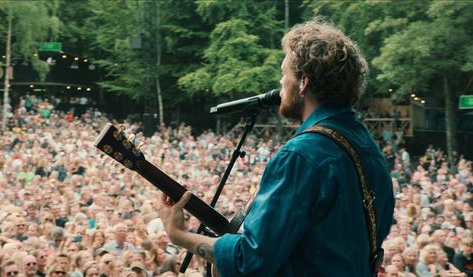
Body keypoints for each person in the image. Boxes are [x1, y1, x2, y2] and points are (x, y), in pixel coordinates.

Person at [160, 18, 395, 276]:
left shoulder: (301, 156)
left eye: (284, 74)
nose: (280, 85)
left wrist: (179, 235)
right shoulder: (370, 150)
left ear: (303, 82)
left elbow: (249, 261)